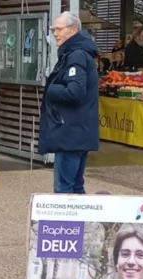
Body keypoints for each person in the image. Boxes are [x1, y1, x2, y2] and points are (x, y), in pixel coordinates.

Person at [39, 12, 99, 194]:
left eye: (59, 29)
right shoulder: (77, 54)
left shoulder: (76, 56)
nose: (55, 33)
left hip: (71, 134)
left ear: (73, 30)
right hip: (78, 131)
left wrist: (51, 89)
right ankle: (82, 223)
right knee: (76, 185)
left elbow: (75, 92)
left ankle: (66, 223)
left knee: (64, 189)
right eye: (53, 29)